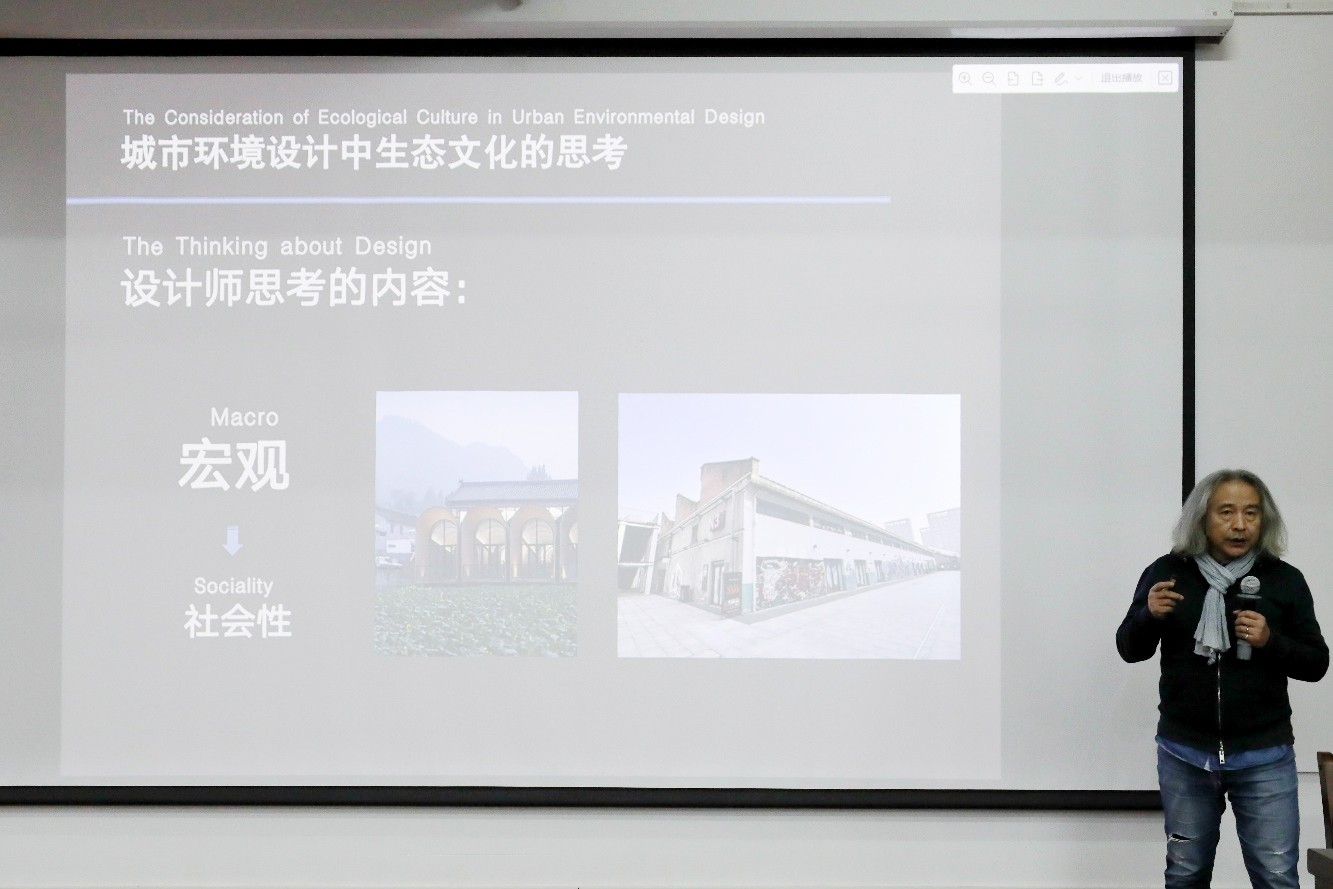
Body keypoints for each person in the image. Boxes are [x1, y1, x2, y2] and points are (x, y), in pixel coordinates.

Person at [1117, 468, 1328, 889]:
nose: (1240, 524)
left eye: (1251, 513)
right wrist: (1148, 616)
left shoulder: (1284, 580)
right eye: (1226, 512)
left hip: (1264, 755)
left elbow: (1316, 664)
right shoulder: (1167, 573)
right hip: (1185, 754)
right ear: (1202, 518)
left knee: (1276, 877)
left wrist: (1271, 641)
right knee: (1185, 874)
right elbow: (1130, 648)